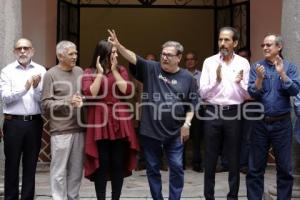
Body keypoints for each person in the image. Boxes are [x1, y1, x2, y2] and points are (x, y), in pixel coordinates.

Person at [107, 29, 198, 200]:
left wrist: (187, 124)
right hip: (150, 132)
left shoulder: (188, 78)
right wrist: (118, 46)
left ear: (178, 57)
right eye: (163, 54)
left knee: (177, 167)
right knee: (153, 168)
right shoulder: (152, 68)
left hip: (175, 132)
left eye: (169, 55)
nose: (164, 57)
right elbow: (134, 57)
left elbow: (192, 105)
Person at [82, 40, 139, 200]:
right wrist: (100, 73)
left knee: (117, 163)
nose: (115, 55)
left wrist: (114, 71)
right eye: (112, 52)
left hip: (119, 118)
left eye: (116, 52)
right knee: (102, 163)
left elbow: (126, 90)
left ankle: (116, 198)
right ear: (102, 54)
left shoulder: (121, 69)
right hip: (99, 118)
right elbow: (90, 94)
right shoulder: (89, 71)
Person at [246, 34, 300, 200]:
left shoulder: (290, 67)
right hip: (260, 123)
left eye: (269, 45)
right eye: (263, 45)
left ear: (279, 47)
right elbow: (253, 93)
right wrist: (260, 79)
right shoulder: (257, 67)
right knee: (255, 169)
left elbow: (295, 90)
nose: (265, 48)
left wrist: (282, 74)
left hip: (282, 123)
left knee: (285, 169)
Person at [199, 27, 250, 200]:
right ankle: (209, 196)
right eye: (220, 39)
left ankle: (233, 196)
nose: (222, 43)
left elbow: (249, 94)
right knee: (211, 157)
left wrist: (240, 83)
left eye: (227, 40)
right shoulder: (209, 62)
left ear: (235, 43)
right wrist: (217, 80)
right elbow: (203, 93)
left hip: (234, 112)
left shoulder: (243, 63)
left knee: (234, 157)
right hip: (212, 111)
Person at [0, 38, 46, 200]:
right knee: (11, 164)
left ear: (32, 50)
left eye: (26, 48)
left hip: (34, 122)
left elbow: (43, 100)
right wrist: (26, 87)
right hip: (13, 123)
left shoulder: (41, 70)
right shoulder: (7, 71)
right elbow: (6, 97)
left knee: (31, 165)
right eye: (19, 48)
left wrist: (37, 88)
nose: (22, 51)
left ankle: (27, 198)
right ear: (14, 51)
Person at [41, 41, 84, 200]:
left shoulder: (79, 71)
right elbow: (46, 104)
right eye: (71, 54)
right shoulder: (50, 74)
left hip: (79, 129)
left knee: (76, 171)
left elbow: (84, 95)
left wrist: (82, 100)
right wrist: (68, 102)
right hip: (60, 131)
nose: (75, 57)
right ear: (60, 56)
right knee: (58, 172)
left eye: (76, 53)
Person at [184, 51, 203, 172]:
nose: (189, 61)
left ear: (196, 61)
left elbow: (204, 93)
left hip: (197, 111)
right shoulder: (180, 75)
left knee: (197, 139)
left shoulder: (202, 75)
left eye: (192, 59)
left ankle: (197, 164)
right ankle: (180, 164)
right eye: (187, 59)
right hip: (183, 111)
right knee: (182, 138)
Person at [236, 47, 253, 174]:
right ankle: (228, 163)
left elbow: (254, 92)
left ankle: (244, 164)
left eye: (245, 56)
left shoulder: (254, 71)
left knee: (247, 136)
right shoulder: (233, 70)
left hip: (250, 106)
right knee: (232, 135)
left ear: (249, 57)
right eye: (240, 56)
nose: (242, 59)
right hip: (235, 106)